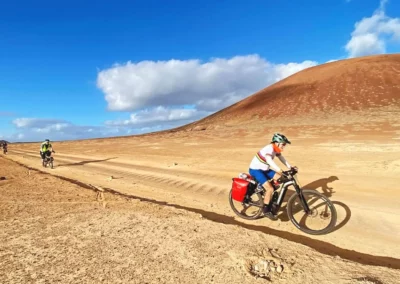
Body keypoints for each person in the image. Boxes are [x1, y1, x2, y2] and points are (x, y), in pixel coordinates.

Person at [248, 133, 296, 220]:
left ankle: (267, 193)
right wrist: (280, 170)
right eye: (283, 144)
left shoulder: (275, 149)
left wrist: (290, 167)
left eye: (285, 144)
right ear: (277, 143)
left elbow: (281, 158)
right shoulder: (269, 149)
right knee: (270, 189)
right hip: (256, 170)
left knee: (282, 179)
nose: (284, 146)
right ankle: (266, 210)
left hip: (264, 169)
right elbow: (270, 161)